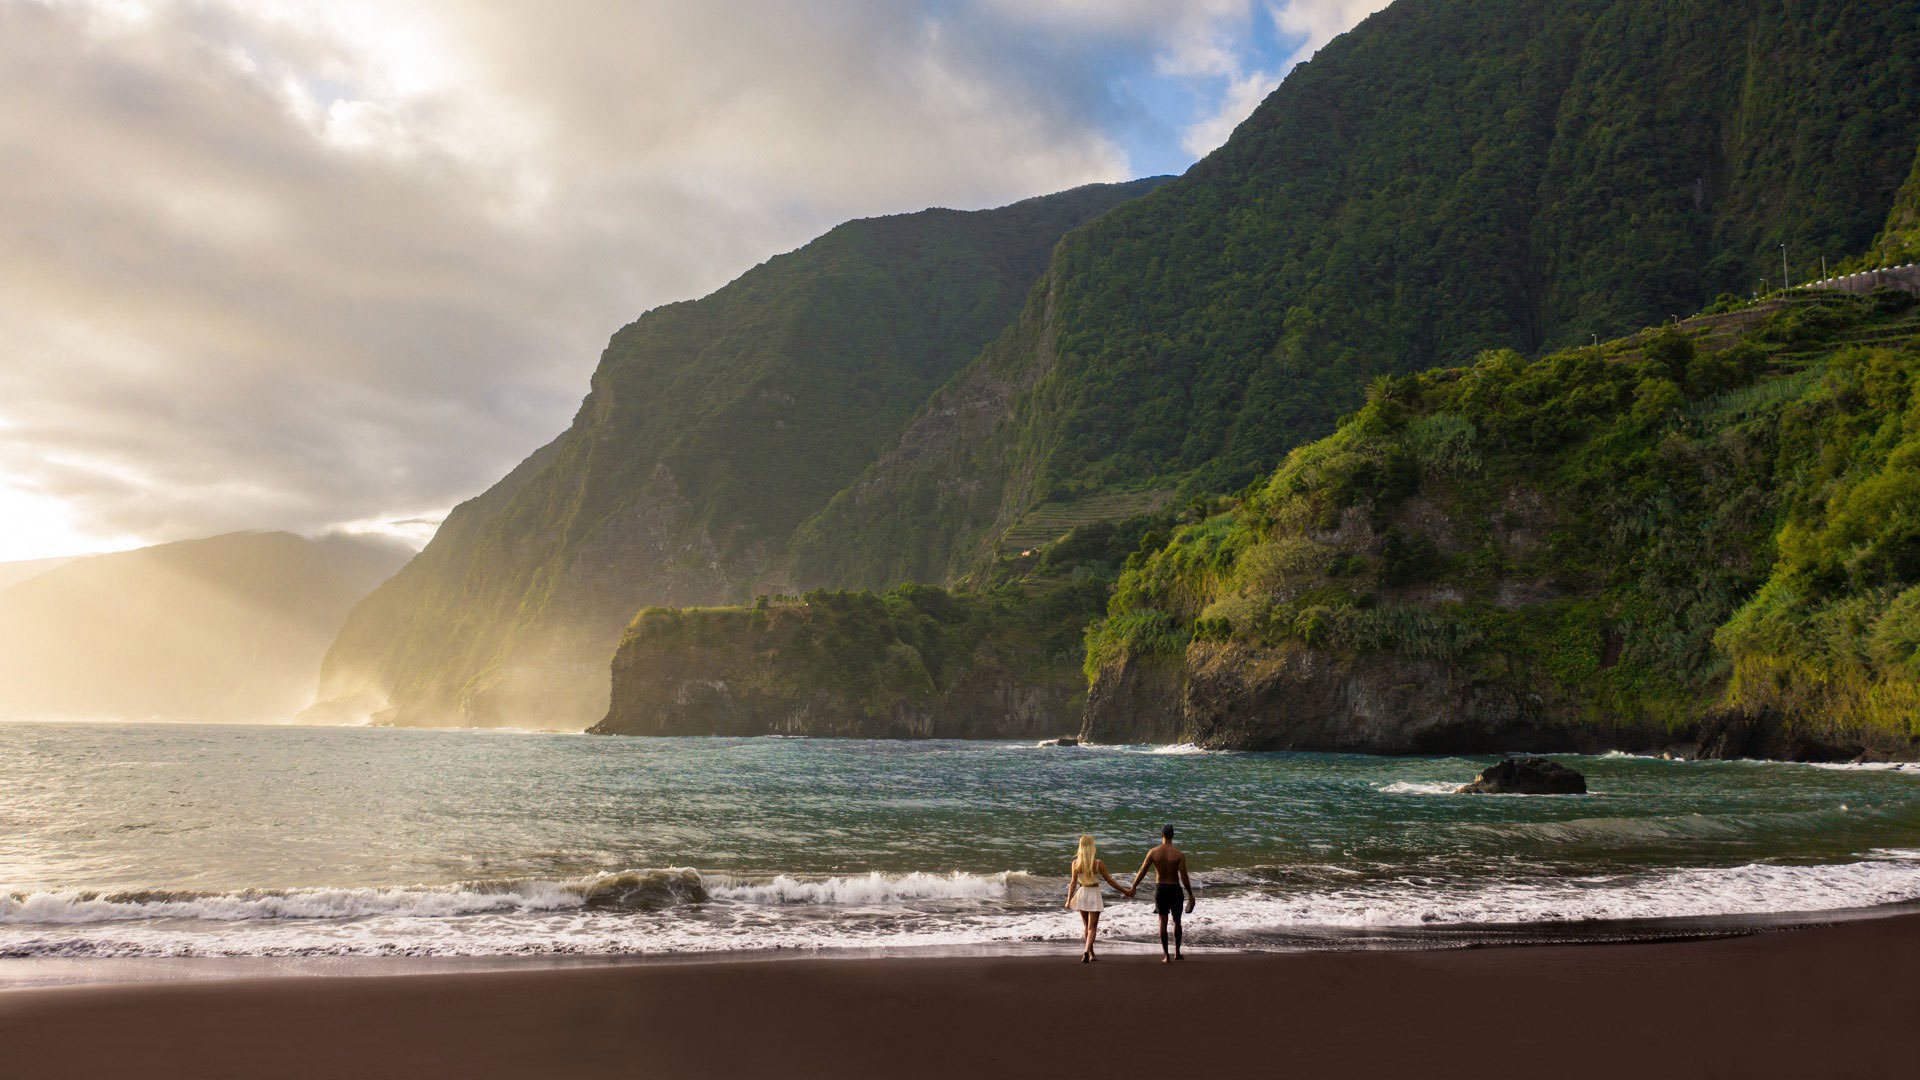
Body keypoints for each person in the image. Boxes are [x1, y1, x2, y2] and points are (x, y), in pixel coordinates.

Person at [1128, 823, 1195, 962]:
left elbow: (1142, 871)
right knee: (1177, 921)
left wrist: (1133, 886)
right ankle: (1177, 953)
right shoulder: (1179, 854)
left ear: (1161, 835)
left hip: (1161, 889)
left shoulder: (1153, 852)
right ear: (1173, 836)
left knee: (1162, 922)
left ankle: (1166, 956)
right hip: (1175, 889)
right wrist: (1190, 894)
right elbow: (1184, 876)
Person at [1064, 834, 1130, 963]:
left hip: (1082, 893)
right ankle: (1087, 951)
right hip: (1094, 893)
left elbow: (1073, 884)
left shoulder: (1075, 863)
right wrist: (1125, 890)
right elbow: (1110, 881)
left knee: (1086, 926)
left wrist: (1068, 900)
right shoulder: (1098, 863)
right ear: (1092, 846)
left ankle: (1091, 952)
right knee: (1092, 927)